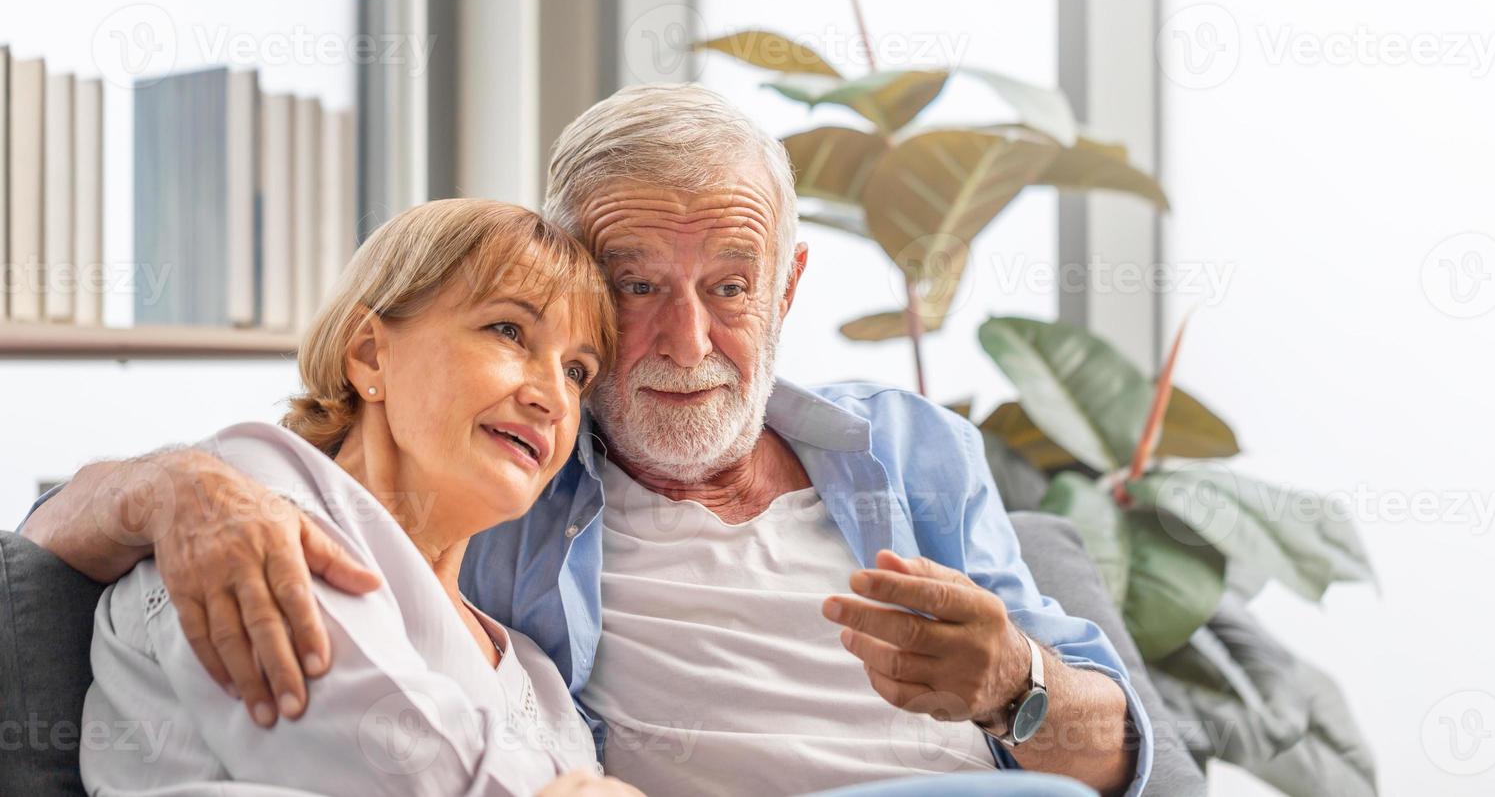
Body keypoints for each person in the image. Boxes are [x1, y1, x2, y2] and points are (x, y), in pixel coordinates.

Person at [26, 85, 1153, 797]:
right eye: (631, 289)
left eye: (729, 285)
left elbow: (1119, 756)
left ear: (788, 286)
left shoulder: (915, 453)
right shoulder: (490, 478)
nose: (685, 337)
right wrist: (176, 482)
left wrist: (1017, 686)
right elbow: (59, 544)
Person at [72, 199, 641, 796]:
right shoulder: (247, 498)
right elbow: (383, 754)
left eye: (578, 371)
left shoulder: (538, 677)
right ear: (371, 353)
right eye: (509, 331)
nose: (554, 397)